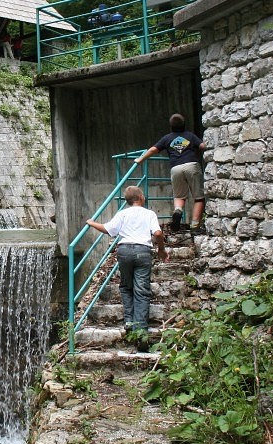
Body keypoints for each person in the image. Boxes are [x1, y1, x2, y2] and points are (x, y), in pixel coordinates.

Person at [86, 186, 165, 351]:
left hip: (125, 251)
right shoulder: (149, 214)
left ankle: (129, 321)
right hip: (143, 252)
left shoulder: (122, 214)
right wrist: (161, 249)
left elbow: (108, 230)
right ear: (141, 197)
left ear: (128, 201)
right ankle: (141, 332)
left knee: (126, 286)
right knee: (142, 290)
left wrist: (91, 223)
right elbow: (157, 234)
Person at [134, 113, 206, 234]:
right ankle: (195, 226)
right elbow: (202, 146)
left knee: (179, 196)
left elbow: (153, 149)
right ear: (184, 125)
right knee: (199, 198)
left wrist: (140, 159)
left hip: (175, 168)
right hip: (191, 165)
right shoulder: (190, 135)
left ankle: (178, 210)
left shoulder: (167, 138)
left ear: (171, 126)